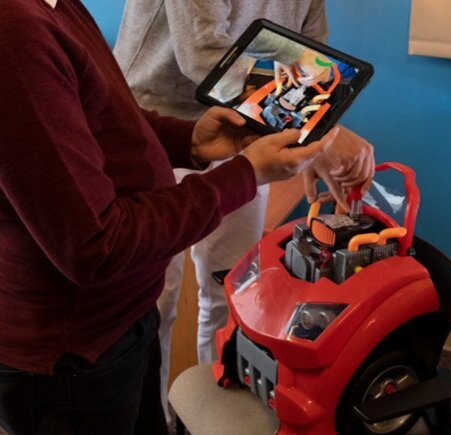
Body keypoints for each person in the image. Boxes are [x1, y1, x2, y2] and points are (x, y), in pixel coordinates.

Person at [0, 0, 344, 433]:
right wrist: (245, 173)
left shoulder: (54, 8)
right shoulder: (13, 33)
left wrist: (190, 143)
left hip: (122, 318)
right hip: (76, 349)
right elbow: (96, 247)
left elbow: (104, 117)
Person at [113, 0, 375, 420]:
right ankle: (154, 419)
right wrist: (319, 131)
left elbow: (308, 56)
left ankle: (206, 412)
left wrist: (310, 141)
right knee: (153, 302)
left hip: (248, 128)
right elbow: (204, 56)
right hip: (157, 124)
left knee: (233, 286)